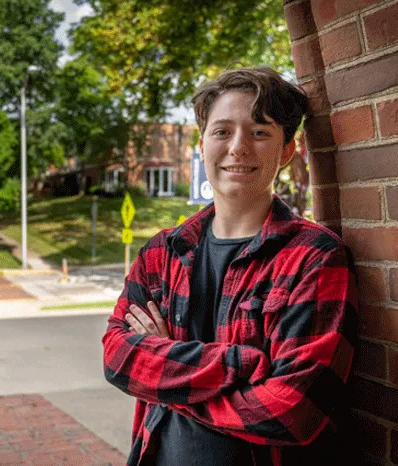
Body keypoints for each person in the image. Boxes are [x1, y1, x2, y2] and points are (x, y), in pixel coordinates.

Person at [102, 67, 358, 466]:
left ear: (286, 151)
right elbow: (118, 358)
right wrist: (240, 363)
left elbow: (293, 411)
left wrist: (165, 373)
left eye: (259, 132)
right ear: (202, 144)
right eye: (222, 131)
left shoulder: (315, 258)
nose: (238, 147)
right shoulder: (160, 253)